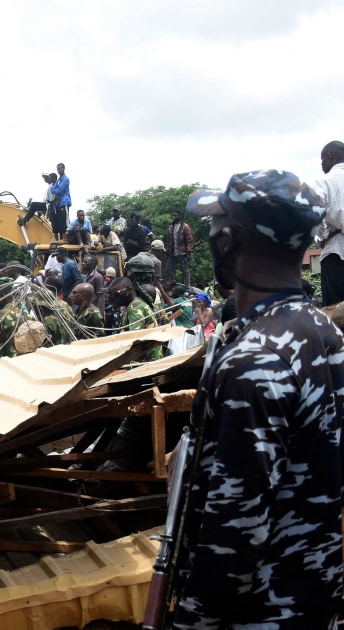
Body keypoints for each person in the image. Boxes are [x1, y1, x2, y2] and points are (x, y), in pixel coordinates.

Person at [166, 170, 342, 628]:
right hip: (316, 596)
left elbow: (236, 530)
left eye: (215, 226)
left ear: (231, 242)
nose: (209, 236)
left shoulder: (255, 361)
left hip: (257, 613)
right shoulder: (323, 332)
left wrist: (190, 621)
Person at [315, 140, 344, 305]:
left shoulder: (324, 182)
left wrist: (324, 235)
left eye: (322, 160)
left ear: (329, 156)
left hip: (336, 253)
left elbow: (314, 211)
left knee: (336, 313)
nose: (321, 164)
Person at [165, 210, 195, 284]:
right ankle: (166, 285)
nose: (173, 217)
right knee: (168, 271)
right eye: (173, 216)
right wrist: (167, 252)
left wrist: (188, 253)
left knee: (185, 272)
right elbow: (168, 241)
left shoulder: (185, 227)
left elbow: (189, 240)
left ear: (180, 217)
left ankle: (187, 288)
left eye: (175, 216)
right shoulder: (171, 227)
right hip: (172, 253)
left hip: (182, 253)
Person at [49, 162, 72, 240]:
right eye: (57, 169)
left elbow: (59, 190)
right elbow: (52, 189)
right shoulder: (59, 179)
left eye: (60, 169)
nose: (59, 170)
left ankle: (66, 238)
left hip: (64, 202)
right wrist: (56, 190)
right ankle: (61, 239)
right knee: (59, 222)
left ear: (63, 169)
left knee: (65, 222)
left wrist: (55, 190)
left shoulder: (65, 179)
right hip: (58, 204)